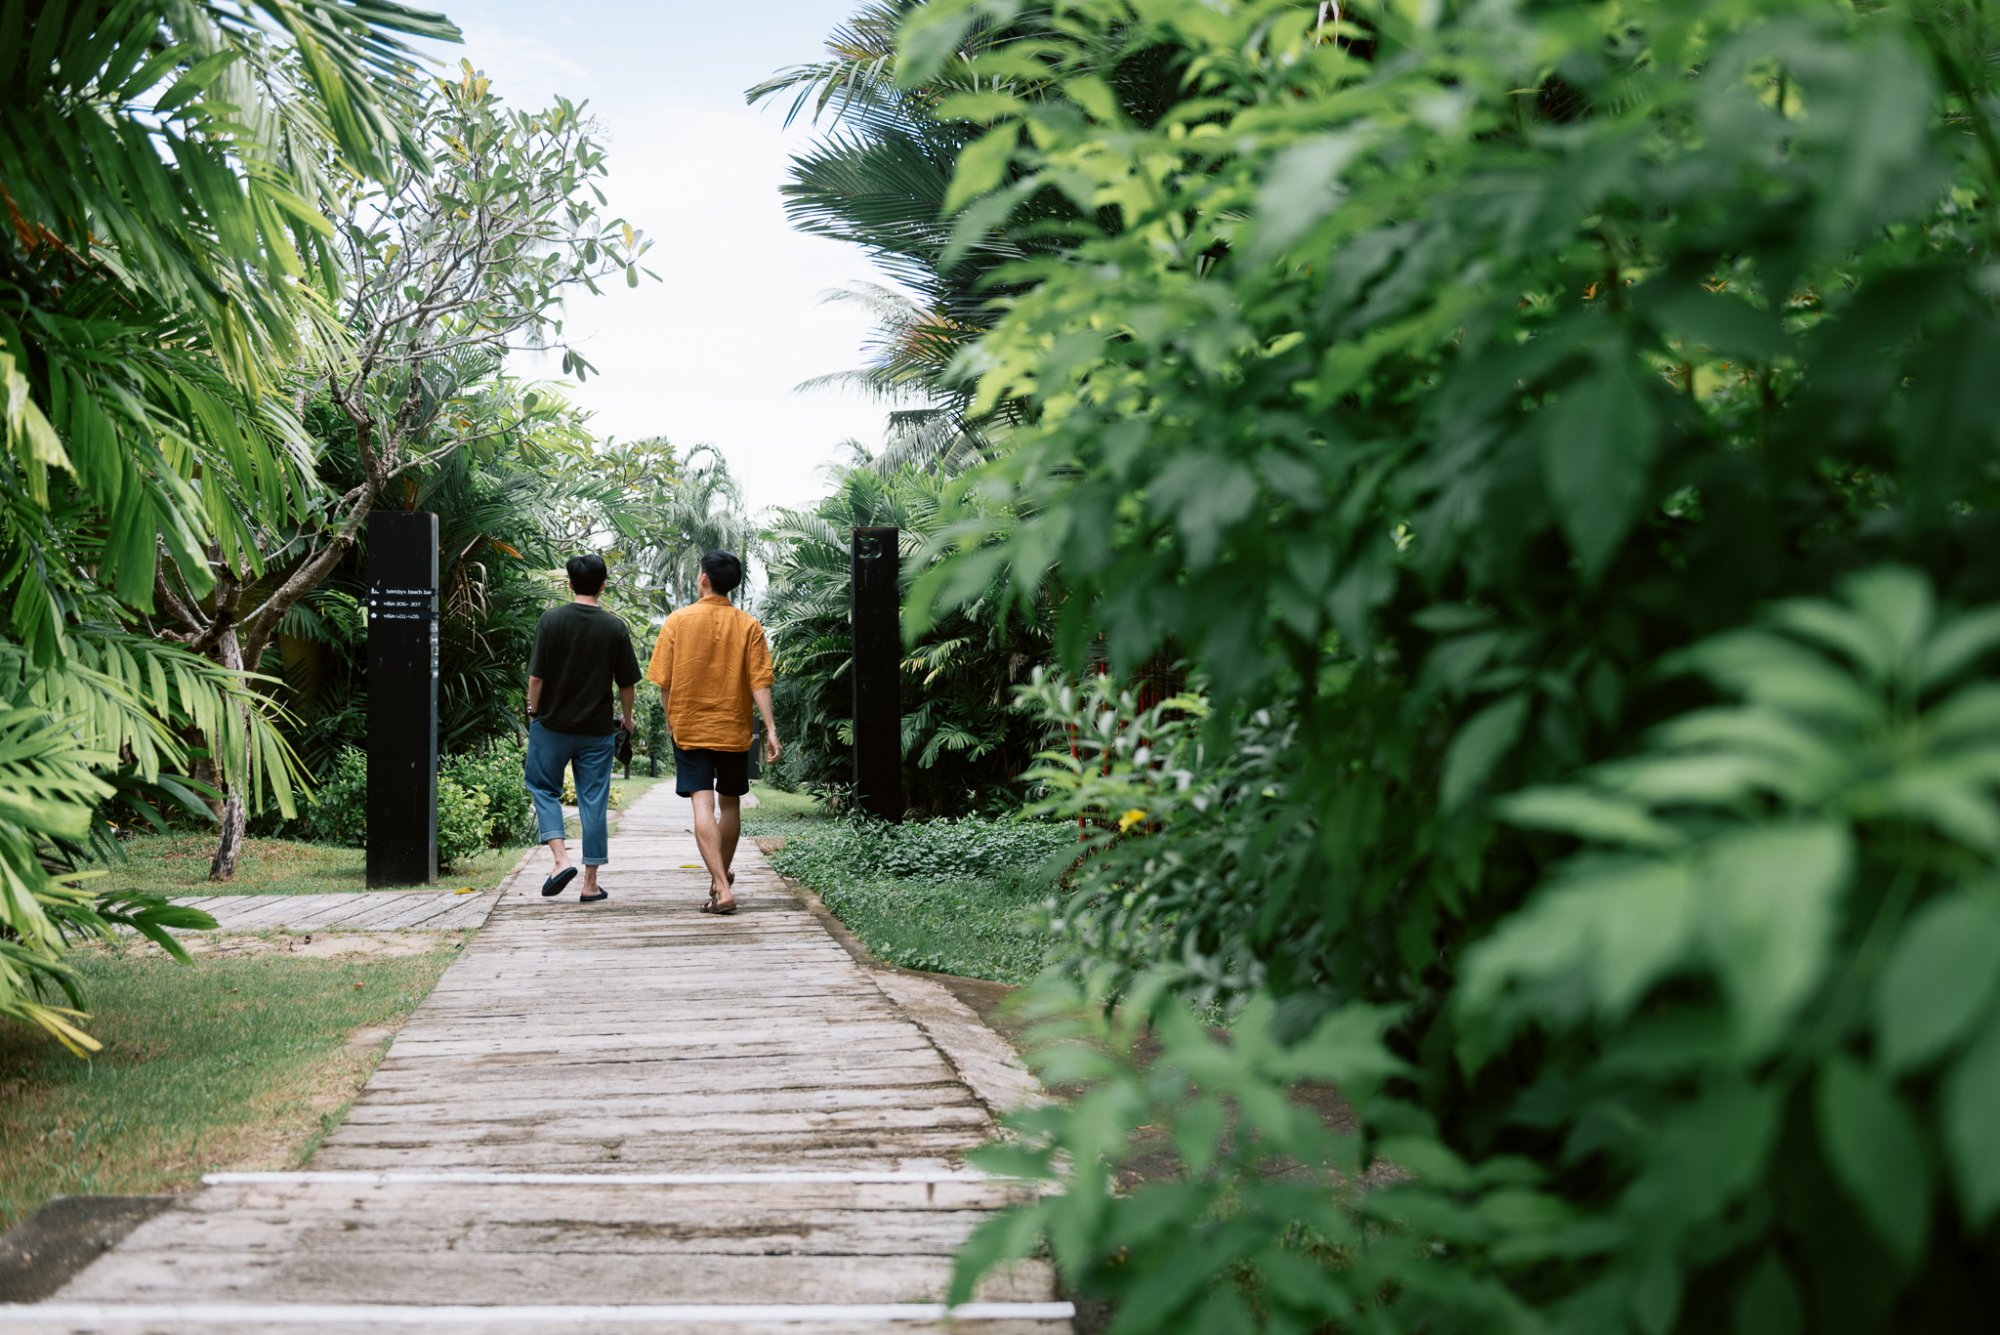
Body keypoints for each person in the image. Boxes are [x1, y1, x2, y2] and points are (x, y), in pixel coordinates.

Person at [646, 550, 781, 914]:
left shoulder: (677, 621)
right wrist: (769, 728)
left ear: (703, 578)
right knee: (730, 802)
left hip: (690, 727)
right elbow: (760, 682)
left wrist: (672, 720)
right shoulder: (749, 625)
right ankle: (719, 878)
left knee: (702, 803)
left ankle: (721, 886)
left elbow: (664, 683)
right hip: (734, 729)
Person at [525, 553, 641, 903]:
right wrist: (628, 717)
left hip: (552, 726)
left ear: (570, 584)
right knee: (593, 802)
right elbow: (627, 684)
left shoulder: (551, 620)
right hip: (596, 730)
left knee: (543, 788)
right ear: (603, 585)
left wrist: (534, 712)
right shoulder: (614, 627)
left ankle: (560, 860)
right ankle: (590, 884)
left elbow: (536, 677)